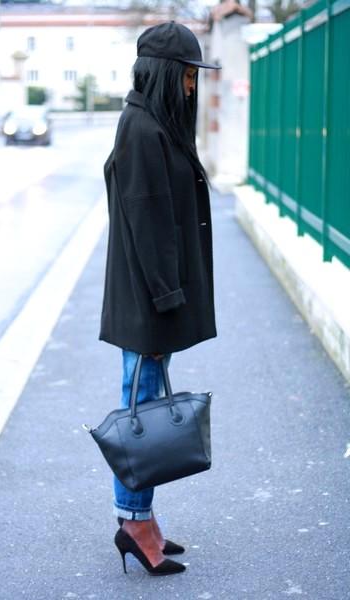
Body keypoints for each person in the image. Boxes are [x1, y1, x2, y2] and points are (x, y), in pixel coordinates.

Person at [99, 21, 220, 576]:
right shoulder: (141, 129)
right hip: (150, 297)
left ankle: (139, 516)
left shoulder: (156, 125)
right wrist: (169, 295)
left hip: (154, 294)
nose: (194, 86)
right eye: (190, 74)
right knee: (142, 407)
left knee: (145, 403)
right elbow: (147, 219)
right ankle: (134, 521)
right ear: (168, 73)